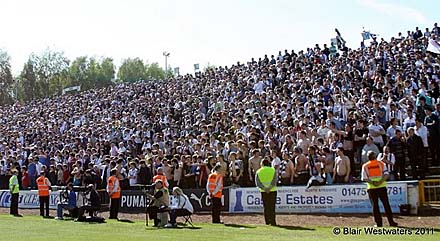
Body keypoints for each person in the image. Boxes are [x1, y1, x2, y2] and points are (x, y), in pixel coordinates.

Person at [361, 151, 398, 227]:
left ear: (368, 157)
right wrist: (380, 181)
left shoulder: (365, 166)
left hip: (372, 188)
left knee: (375, 206)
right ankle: (391, 222)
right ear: (375, 156)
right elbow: (386, 174)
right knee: (386, 205)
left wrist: (373, 182)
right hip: (382, 186)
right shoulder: (381, 164)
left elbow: (364, 178)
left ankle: (379, 223)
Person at [255, 157, 277, 226]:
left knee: (266, 206)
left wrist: (265, 188)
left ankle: (267, 221)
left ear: (262, 164)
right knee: (272, 206)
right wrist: (270, 187)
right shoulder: (273, 170)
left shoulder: (258, 171)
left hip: (263, 191)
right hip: (273, 190)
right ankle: (273, 222)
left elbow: (257, 183)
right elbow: (275, 180)